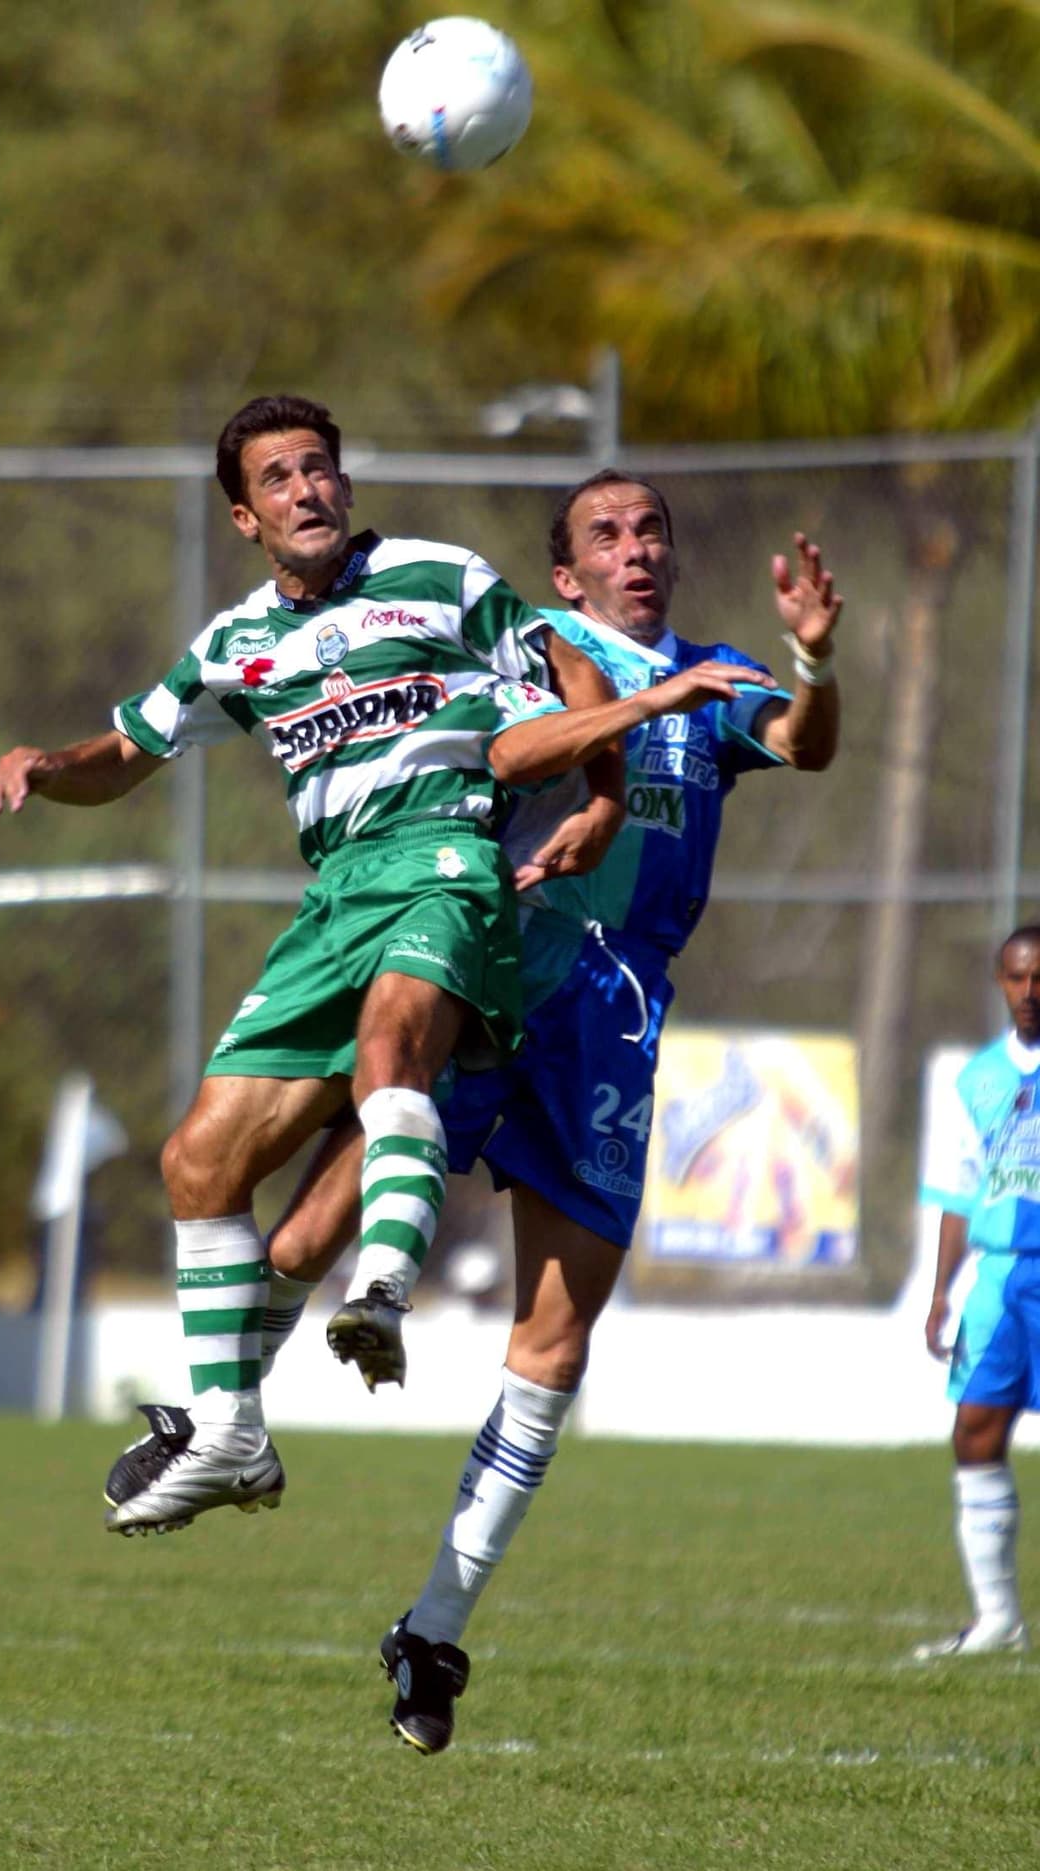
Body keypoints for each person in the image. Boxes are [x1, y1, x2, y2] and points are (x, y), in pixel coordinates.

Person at [0, 397, 739, 1540]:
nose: (306, 490)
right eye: (278, 478)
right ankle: (229, 1427)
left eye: (319, 468)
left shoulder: (437, 574)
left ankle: (381, 1286)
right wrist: (47, 764)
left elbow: (565, 664)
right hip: (332, 893)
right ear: (245, 514)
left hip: (443, 857)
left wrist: (605, 789)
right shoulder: (237, 643)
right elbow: (127, 751)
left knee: (393, 1051)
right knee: (197, 1158)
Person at [264, 470, 842, 1751]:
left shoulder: (715, 673)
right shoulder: (536, 645)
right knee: (303, 1236)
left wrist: (810, 657)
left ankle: (432, 1626)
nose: (636, 549)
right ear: (567, 574)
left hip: (615, 1011)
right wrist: (630, 713)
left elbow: (804, 740)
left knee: (555, 1345)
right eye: (606, 535)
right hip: (500, 959)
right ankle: (220, 1414)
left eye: (652, 531)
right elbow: (504, 750)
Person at [913, 924, 1040, 1660]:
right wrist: (940, 1292)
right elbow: (959, 1193)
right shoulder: (979, 1079)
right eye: (1017, 978)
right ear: (1000, 982)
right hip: (999, 1280)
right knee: (976, 1433)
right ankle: (998, 1620)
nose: (1030, 992)